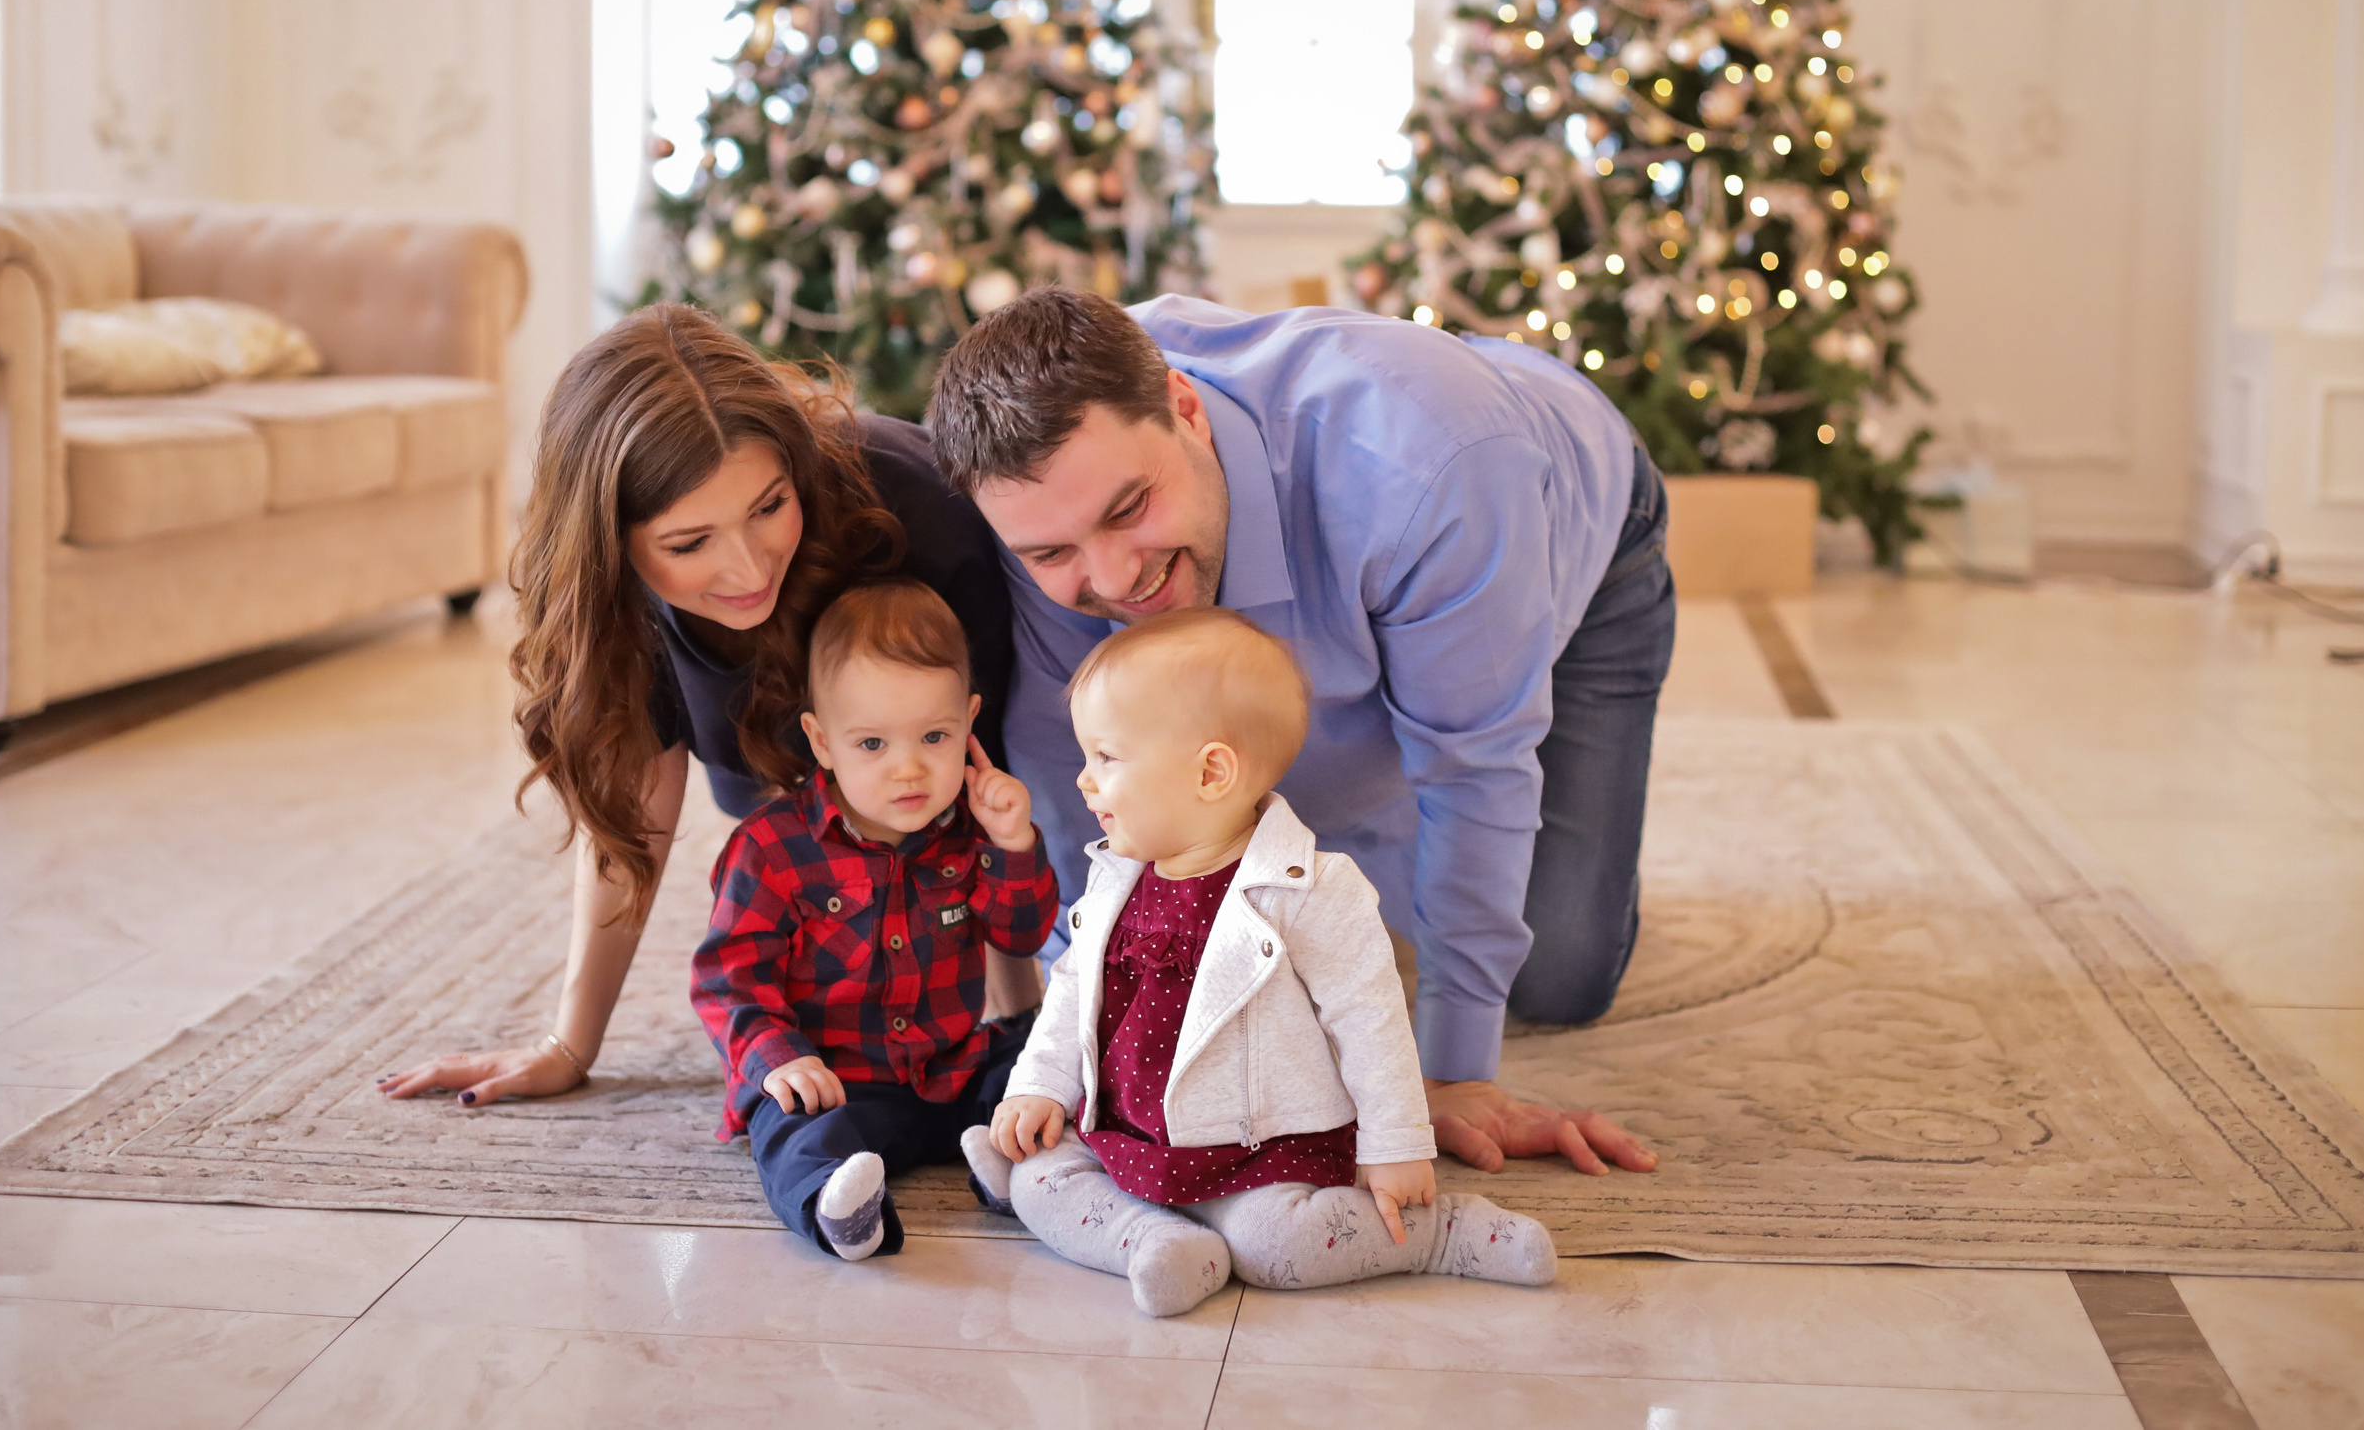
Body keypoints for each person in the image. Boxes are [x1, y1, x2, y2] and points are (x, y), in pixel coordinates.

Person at [926, 288, 1670, 1178]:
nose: (1114, 577)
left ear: (1186, 411)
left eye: (1130, 509)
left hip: (1568, 522)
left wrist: (1449, 1076)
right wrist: (1092, 1006)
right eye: (1052, 554)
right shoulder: (1041, 499)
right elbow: (1067, 768)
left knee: (1559, 971)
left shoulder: (1429, 473)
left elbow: (1474, 774)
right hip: (1386, 515)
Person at [378, 305, 1014, 1109]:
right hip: (770, 770)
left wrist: (1021, 1019)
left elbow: (1004, 770)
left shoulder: (918, 511)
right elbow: (629, 823)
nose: (748, 566)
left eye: (769, 506)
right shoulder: (615, 605)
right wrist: (570, 1042)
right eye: (688, 544)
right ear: (612, 542)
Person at [963, 609, 1555, 1317]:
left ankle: (1439, 1234)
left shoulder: (1310, 889)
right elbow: (1070, 996)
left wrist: (1395, 1142)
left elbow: (1371, 1020)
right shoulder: (1115, 879)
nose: (1085, 782)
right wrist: (1040, 1088)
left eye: (1107, 757)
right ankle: (1154, 1241)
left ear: (1211, 771)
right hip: (1127, 1138)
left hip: (1261, 1152)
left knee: (1282, 1250)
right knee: (1039, 1175)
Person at [692, 580, 1054, 1260]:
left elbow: (1023, 933)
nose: (909, 767)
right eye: (871, 744)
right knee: (791, 1125)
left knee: (1041, 1065)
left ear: (968, 724)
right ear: (821, 741)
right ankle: (840, 1205)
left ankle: (1014, 1166)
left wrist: (1015, 846)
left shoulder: (975, 831)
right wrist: (780, 1058)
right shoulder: (770, 848)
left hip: (950, 1066)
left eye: (935, 735)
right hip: (835, 1077)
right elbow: (727, 981)